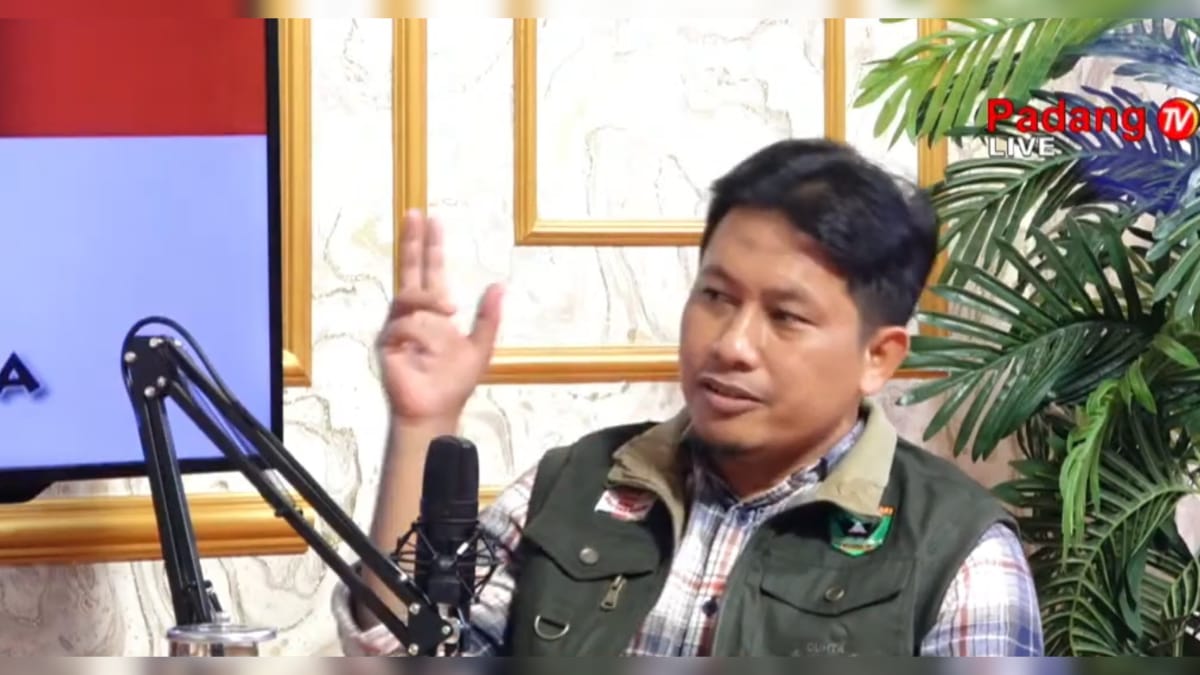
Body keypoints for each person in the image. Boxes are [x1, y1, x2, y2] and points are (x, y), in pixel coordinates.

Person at [331, 138, 1044, 657]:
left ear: (876, 357)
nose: (732, 343)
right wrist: (423, 422)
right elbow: (414, 651)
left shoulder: (959, 556)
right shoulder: (566, 488)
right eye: (716, 296)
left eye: (786, 317)